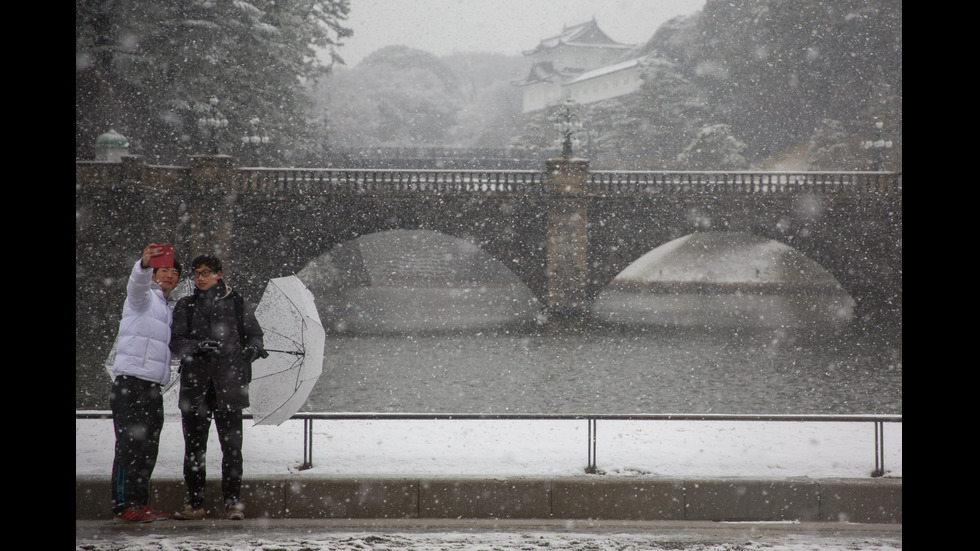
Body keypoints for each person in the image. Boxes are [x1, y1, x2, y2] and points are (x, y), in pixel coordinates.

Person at [170, 255, 266, 521]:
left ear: (219, 274)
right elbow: (175, 344)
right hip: (196, 388)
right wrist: (197, 347)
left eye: (206, 272)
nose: (200, 278)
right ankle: (195, 504)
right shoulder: (185, 305)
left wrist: (254, 349)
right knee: (194, 449)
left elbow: (255, 334)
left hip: (230, 386)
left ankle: (233, 504)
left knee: (232, 449)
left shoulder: (237, 303)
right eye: (196, 273)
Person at [109, 244, 182, 523]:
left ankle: (140, 502)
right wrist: (143, 264)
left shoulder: (166, 307)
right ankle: (122, 504)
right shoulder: (142, 298)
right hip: (130, 383)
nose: (170, 275)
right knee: (128, 445)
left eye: (175, 272)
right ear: (153, 274)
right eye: (164, 270)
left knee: (148, 447)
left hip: (153, 387)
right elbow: (136, 285)